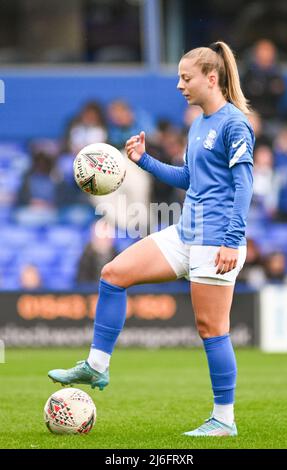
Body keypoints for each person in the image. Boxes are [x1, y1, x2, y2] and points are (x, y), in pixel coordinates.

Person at [48, 41, 254, 437]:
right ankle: (96, 365)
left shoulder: (234, 123)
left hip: (217, 240)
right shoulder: (199, 124)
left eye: (185, 77)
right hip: (186, 232)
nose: (179, 85)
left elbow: (244, 185)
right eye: (179, 76)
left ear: (211, 79)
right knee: (113, 273)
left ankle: (224, 420)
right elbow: (189, 179)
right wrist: (144, 160)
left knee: (212, 329)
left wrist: (232, 239)